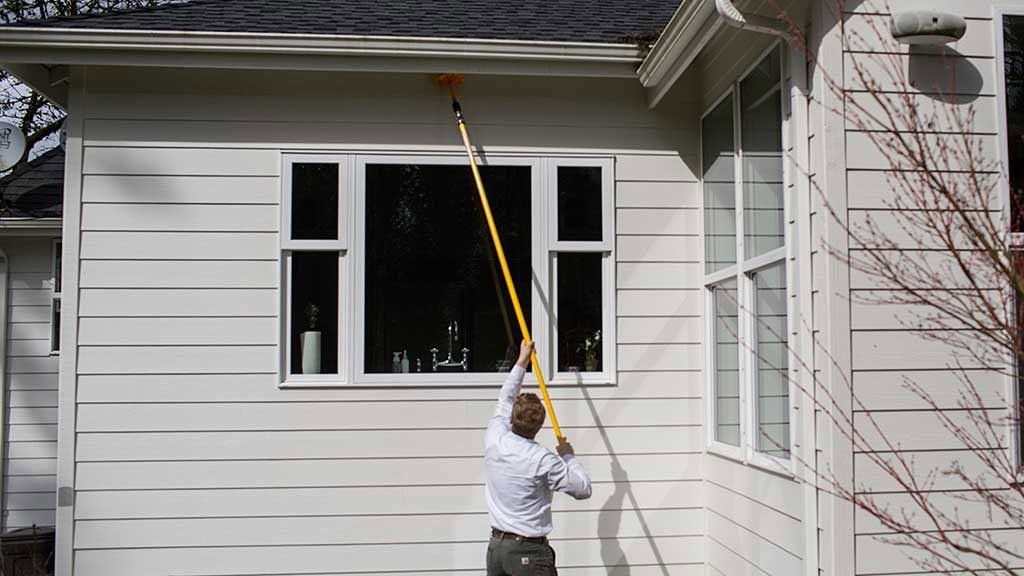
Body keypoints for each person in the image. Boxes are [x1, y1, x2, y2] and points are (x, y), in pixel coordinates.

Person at [485, 339, 592, 576]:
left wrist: (522, 361)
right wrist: (568, 457)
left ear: (512, 419)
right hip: (528, 553)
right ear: (539, 426)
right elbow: (583, 489)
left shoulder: (495, 437)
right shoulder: (544, 460)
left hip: (497, 550)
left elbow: (506, 397)